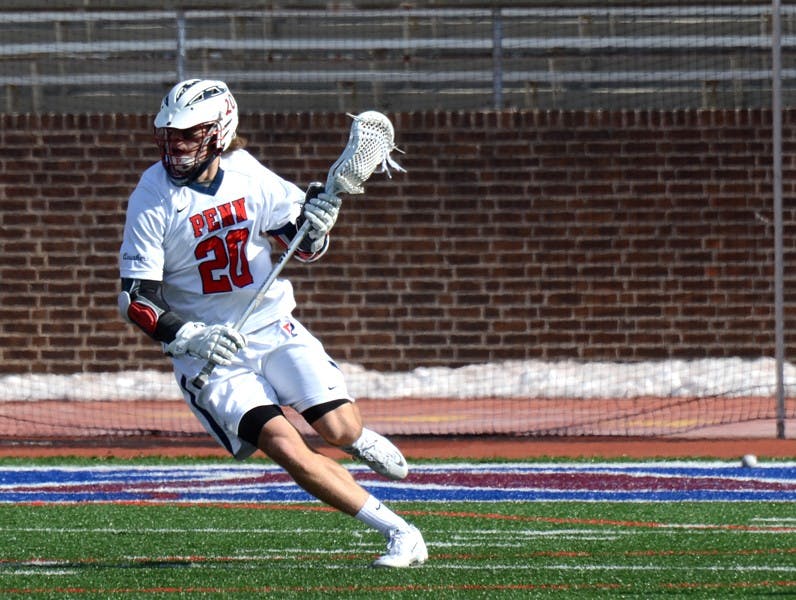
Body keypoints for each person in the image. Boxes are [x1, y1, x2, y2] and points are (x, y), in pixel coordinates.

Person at [118, 79, 427, 568]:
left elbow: (302, 246)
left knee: (339, 430)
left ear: (220, 132)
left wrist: (318, 226)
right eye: (169, 134)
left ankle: (357, 440)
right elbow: (136, 298)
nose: (175, 144)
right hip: (212, 355)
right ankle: (401, 533)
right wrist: (190, 336)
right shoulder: (152, 197)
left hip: (271, 325)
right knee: (285, 445)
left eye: (189, 133)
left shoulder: (248, 174)